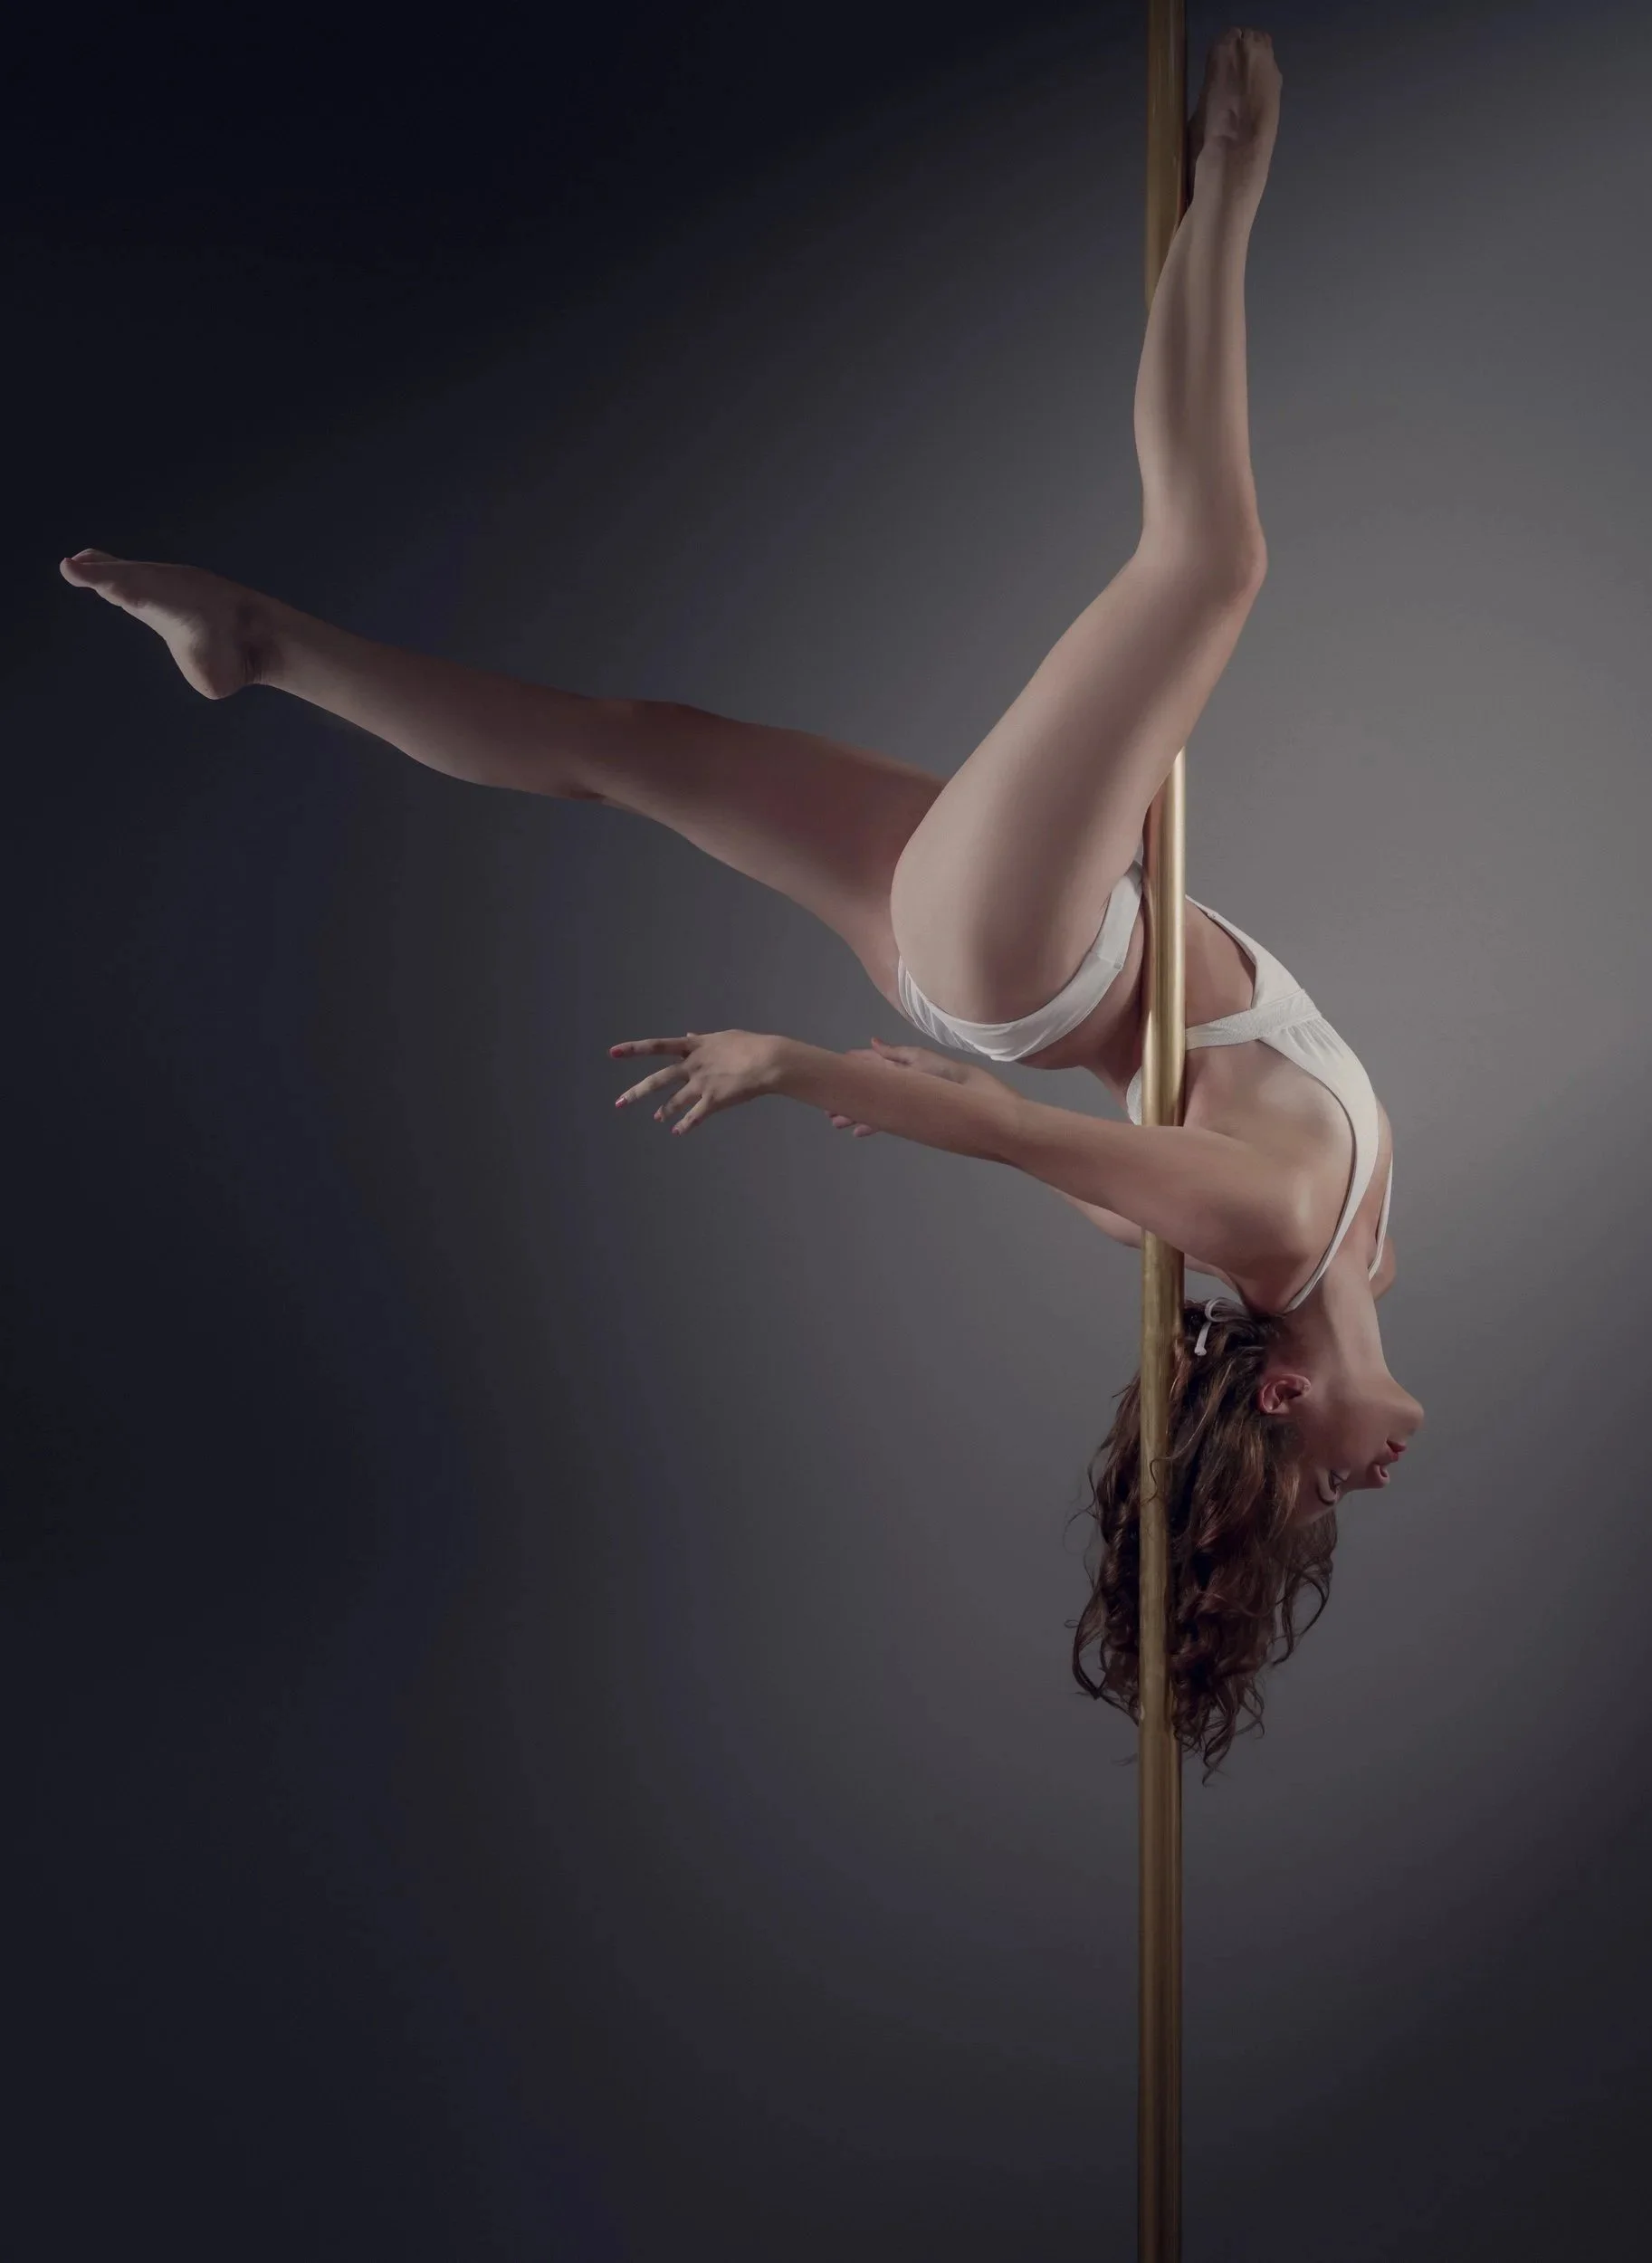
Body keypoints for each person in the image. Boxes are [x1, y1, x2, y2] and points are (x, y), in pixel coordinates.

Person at [60, 29, 1421, 1770]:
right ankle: (267, 647)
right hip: (1029, 953)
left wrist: (807, 1070)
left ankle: (1228, 179)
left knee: (1205, 562)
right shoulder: (1352, 1249)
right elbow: (1102, 1192)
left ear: (1290, 1396)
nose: (1369, 1482)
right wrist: (952, 1085)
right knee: (644, 747)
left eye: (1325, 1478)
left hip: (1037, 945)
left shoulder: (1276, 1240)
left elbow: (1042, 1155)